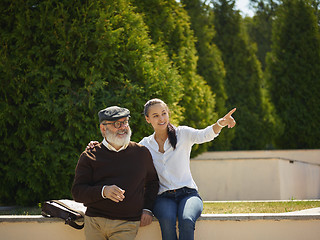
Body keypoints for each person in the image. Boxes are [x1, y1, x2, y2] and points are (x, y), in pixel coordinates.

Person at [87, 99, 236, 240]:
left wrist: (220, 123)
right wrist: (98, 145)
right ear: (148, 119)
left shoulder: (183, 134)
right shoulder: (145, 144)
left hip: (188, 194)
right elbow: (121, 151)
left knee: (186, 220)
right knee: (167, 221)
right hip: (163, 197)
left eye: (164, 113)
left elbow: (205, 134)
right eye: (155, 115)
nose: (161, 118)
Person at [72, 106, 159, 240]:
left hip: (127, 223)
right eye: (117, 124)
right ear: (103, 128)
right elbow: (77, 192)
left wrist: (147, 209)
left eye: (125, 122)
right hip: (95, 222)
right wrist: (103, 191)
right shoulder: (89, 155)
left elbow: (152, 183)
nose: (123, 127)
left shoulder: (141, 153)